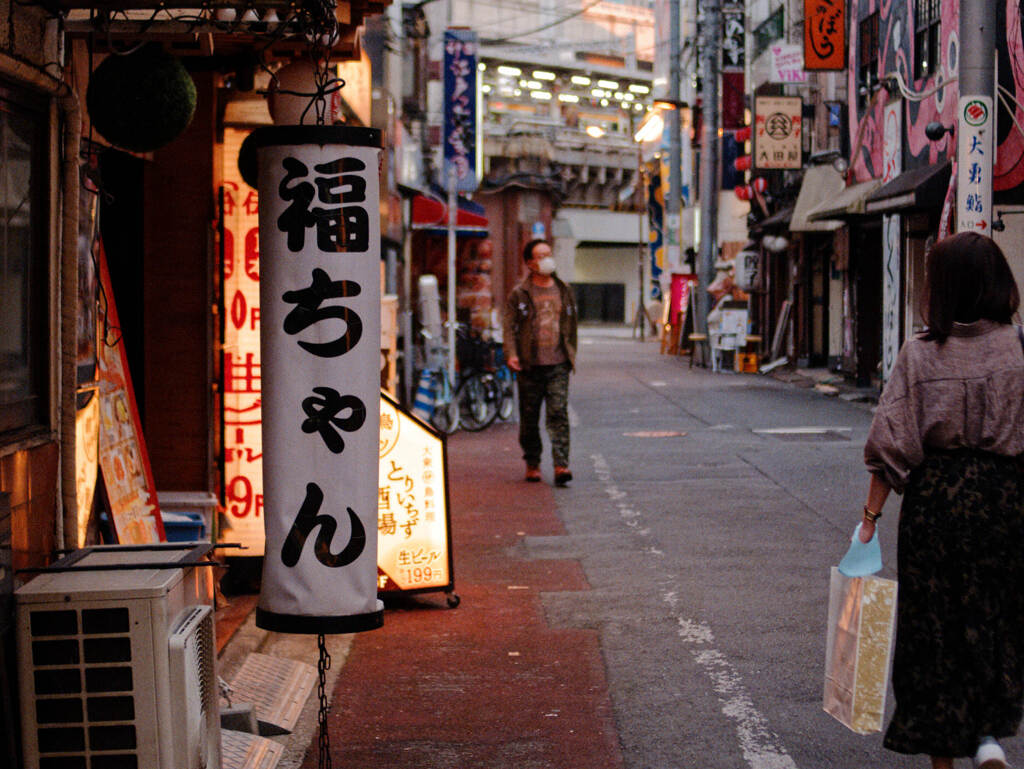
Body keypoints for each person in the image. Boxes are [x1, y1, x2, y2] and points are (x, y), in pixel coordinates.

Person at [859, 232, 1024, 769]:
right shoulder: (1019, 348)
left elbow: (891, 444)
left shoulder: (920, 353)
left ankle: (944, 758)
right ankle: (988, 736)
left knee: (933, 629)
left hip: (936, 503)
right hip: (1004, 500)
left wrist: (869, 519)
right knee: (994, 618)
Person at [502, 238, 578, 485]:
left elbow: (571, 323)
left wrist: (570, 354)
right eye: (541, 255)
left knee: (558, 413)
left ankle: (560, 465)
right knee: (529, 416)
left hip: (558, 363)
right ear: (530, 263)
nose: (548, 259)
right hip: (529, 364)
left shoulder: (563, 289)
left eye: (549, 254)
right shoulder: (520, 293)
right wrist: (511, 353)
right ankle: (532, 463)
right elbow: (509, 327)